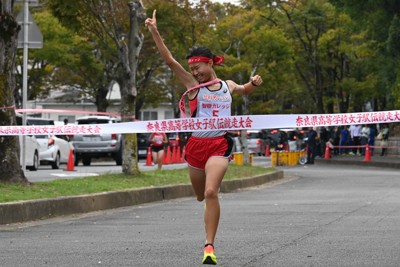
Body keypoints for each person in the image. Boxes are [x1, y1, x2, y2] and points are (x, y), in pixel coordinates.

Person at [145, 10, 263, 265]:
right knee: (200, 195)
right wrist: (154, 31)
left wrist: (253, 83)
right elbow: (170, 61)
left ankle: (209, 246)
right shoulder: (191, 86)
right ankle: (206, 211)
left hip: (220, 144)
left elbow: (243, 90)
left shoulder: (227, 85)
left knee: (211, 192)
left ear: (210, 64)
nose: (195, 72)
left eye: (197, 67)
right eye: (192, 69)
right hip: (196, 146)